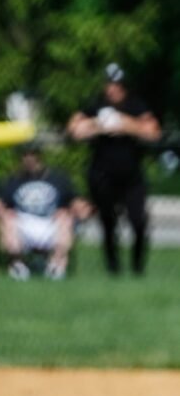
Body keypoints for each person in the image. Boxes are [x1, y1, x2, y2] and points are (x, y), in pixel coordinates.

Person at [67, 63, 161, 275]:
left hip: (131, 177)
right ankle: (113, 268)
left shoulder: (135, 106)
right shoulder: (95, 106)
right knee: (108, 223)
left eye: (117, 85)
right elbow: (74, 129)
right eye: (109, 84)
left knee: (139, 221)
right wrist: (99, 125)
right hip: (103, 176)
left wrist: (126, 125)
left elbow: (153, 131)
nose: (112, 89)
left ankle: (137, 267)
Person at [0, 144, 89, 280]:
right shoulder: (11, 181)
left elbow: (77, 203)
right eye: (25, 155)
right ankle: (17, 265)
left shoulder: (59, 179)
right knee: (7, 218)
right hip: (22, 223)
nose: (29, 159)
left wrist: (78, 209)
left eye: (33, 155)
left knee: (65, 217)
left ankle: (56, 265)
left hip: (50, 222)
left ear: (40, 157)